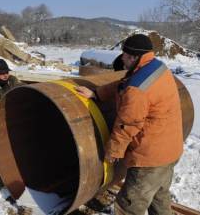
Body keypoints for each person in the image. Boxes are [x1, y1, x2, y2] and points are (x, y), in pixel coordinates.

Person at [76, 34, 183, 215]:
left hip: (150, 158)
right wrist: (97, 94)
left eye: (124, 55)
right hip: (170, 149)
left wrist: (113, 152)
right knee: (158, 196)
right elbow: (123, 84)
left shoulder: (137, 90)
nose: (122, 59)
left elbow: (127, 123)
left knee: (128, 205)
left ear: (134, 56)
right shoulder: (156, 67)